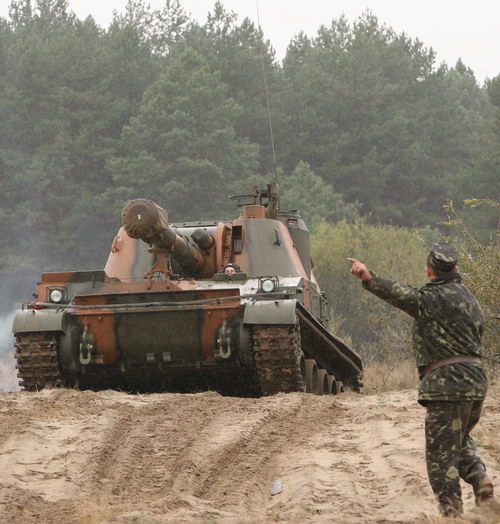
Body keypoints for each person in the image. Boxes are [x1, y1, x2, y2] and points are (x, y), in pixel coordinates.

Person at [348, 243, 494, 517]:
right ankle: (479, 478)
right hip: (476, 382)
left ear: (429, 271)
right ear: (456, 268)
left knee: (441, 456)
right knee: (460, 439)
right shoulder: (470, 299)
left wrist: (369, 277)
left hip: (447, 386)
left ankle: (452, 515)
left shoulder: (430, 299)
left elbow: (400, 294)